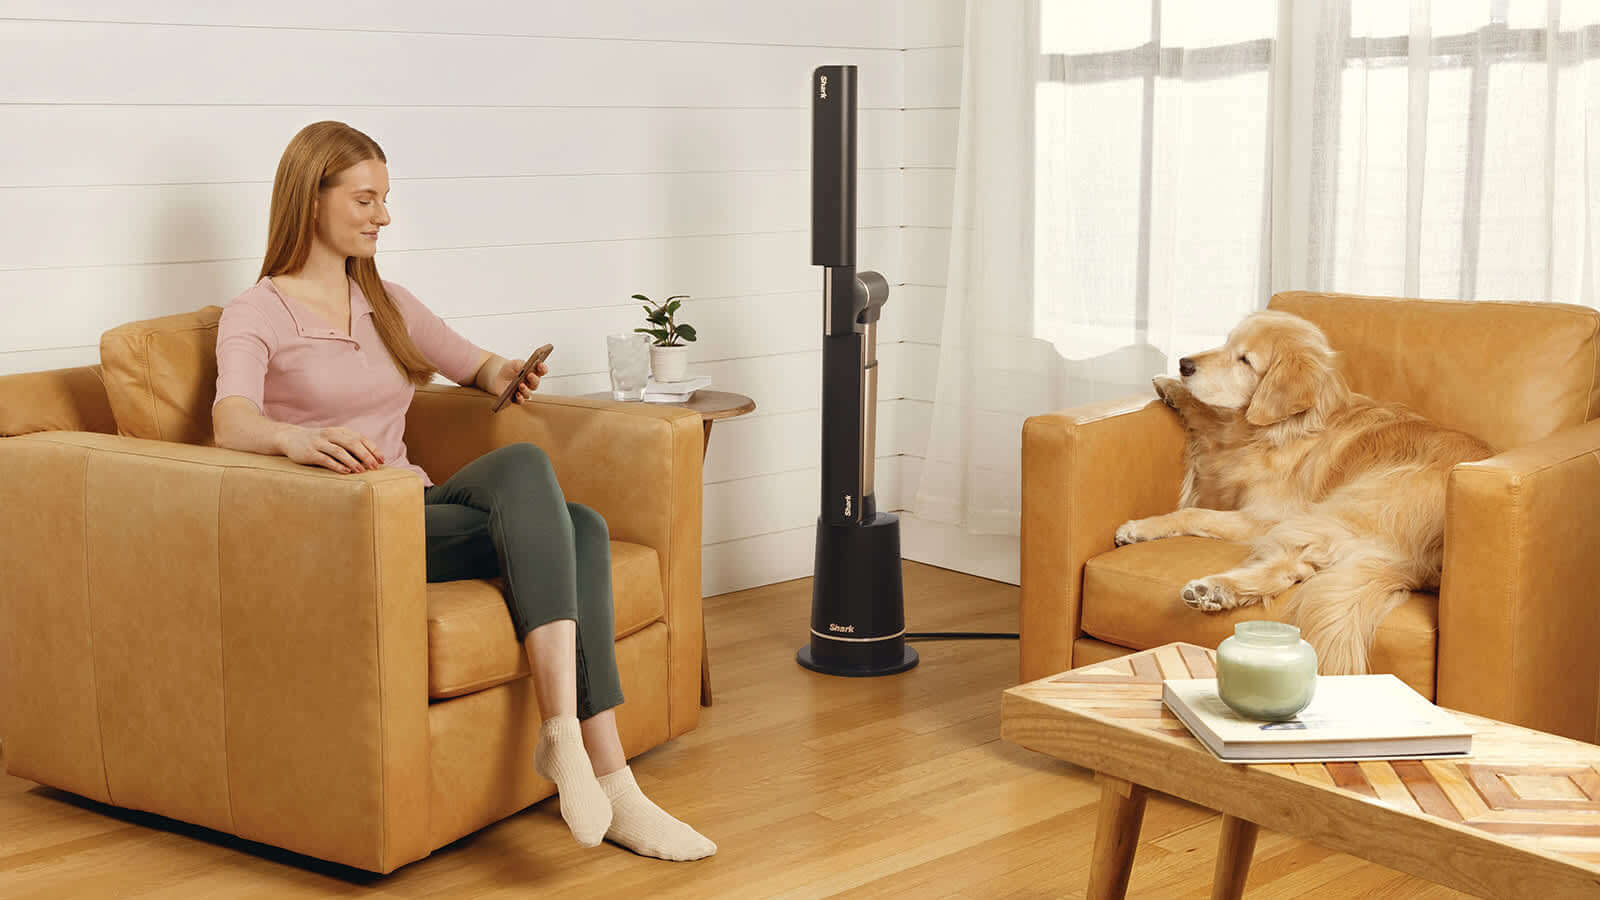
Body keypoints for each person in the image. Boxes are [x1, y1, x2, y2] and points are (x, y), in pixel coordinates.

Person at [210, 121, 713, 861]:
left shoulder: (385, 301)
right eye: (365, 200)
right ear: (310, 198)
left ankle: (593, 763)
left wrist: (507, 373)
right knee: (566, 519)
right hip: (349, 523)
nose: (383, 216)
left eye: (385, 199)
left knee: (572, 515)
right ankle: (590, 763)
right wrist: (292, 439)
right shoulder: (257, 312)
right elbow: (230, 421)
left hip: (417, 506)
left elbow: (475, 365)